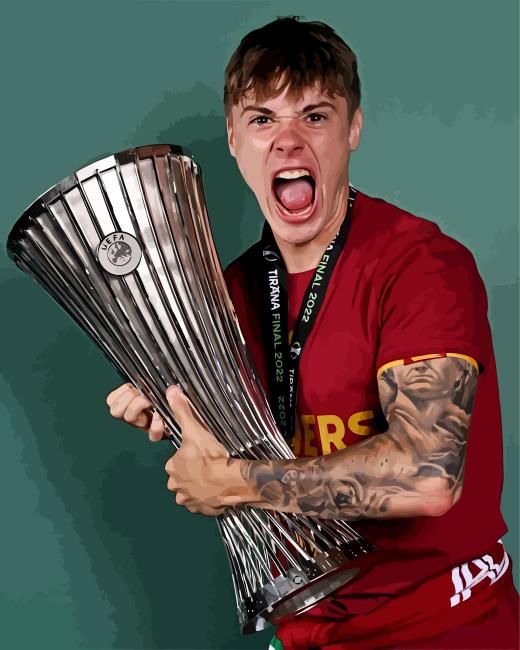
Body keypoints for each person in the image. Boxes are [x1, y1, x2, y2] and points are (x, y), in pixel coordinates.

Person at [105, 17, 519, 650]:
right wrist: (174, 411)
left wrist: (235, 481)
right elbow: (238, 441)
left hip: (444, 627)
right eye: (262, 119)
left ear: (353, 129)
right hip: (307, 629)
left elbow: (428, 472)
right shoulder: (227, 294)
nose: (288, 142)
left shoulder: (422, 267)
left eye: (315, 116)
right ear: (233, 139)